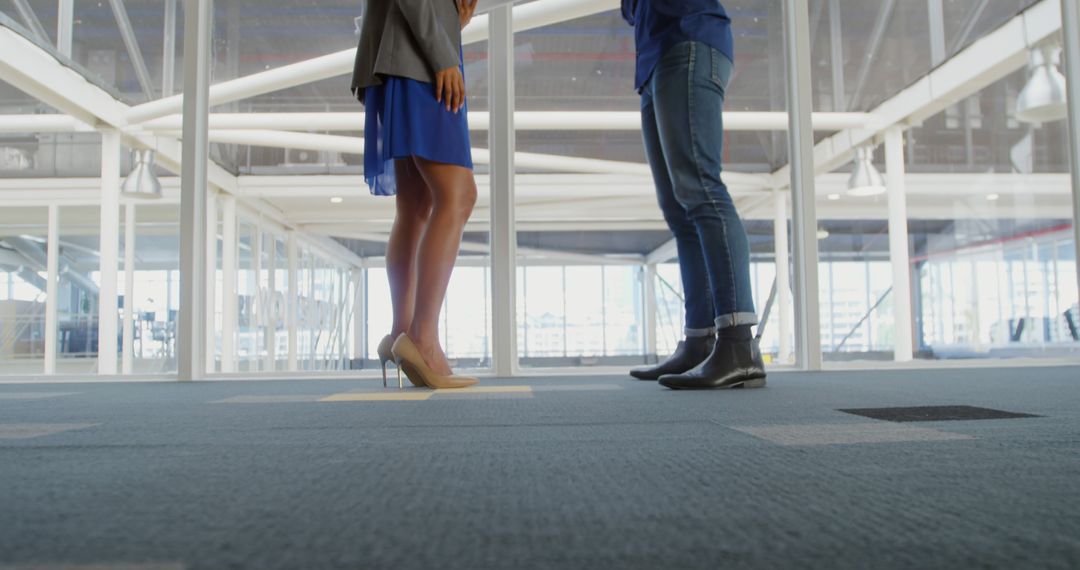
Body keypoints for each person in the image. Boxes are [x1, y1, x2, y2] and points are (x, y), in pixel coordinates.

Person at [623, 0, 767, 390]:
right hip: (657, 56)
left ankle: (738, 343)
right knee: (678, 208)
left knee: (701, 188)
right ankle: (699, 340)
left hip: (688, 38)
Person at [351, 0, 480, 390]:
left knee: (416, 204)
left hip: (404, 53)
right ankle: (422, 341)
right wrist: (442, 53)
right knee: (458, 196)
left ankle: (401, 333)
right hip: (419, 56)